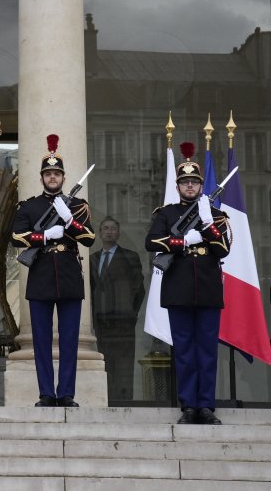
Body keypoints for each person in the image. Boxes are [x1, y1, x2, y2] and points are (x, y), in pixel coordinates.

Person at [145, 142, 230, 425]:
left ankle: (206, 405)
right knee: (183, 349)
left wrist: (208, 224)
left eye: (194, 182)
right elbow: (152, 241)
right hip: (178, 290)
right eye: (185, 182)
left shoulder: (215, 215)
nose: (190, 186)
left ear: (200, 185)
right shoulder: (166, 213)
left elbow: (223, 249)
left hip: (207, 290)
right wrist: (182, 241)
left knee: (206, 349)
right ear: (178, 186)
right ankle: (189, 405)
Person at [11, 134, 95, 408]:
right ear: (42, 177)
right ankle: (46, 393)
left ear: (63, 176)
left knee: (70, 341)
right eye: (48, 173)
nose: (52, 178)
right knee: (41, 341)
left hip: (69, 275)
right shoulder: (30, 206)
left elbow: (89, 239)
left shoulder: (77, 206)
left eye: (57, 173)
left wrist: (70, 221)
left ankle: (66, 393)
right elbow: (16, 237)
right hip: (41, 275)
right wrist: (45, 236)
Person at [90, 216, 145, 401]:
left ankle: (123, 399)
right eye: (105, 228)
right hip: (101, 321)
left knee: (124, 363)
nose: (109, 231)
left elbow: (139, 288)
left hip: (123, 321)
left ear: (119, 233)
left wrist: (130, 312)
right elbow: (91, 290)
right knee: (104, 361)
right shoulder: (92, 259)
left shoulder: (129, 256)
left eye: (113, 228)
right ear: (99, 233)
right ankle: (105, 398)